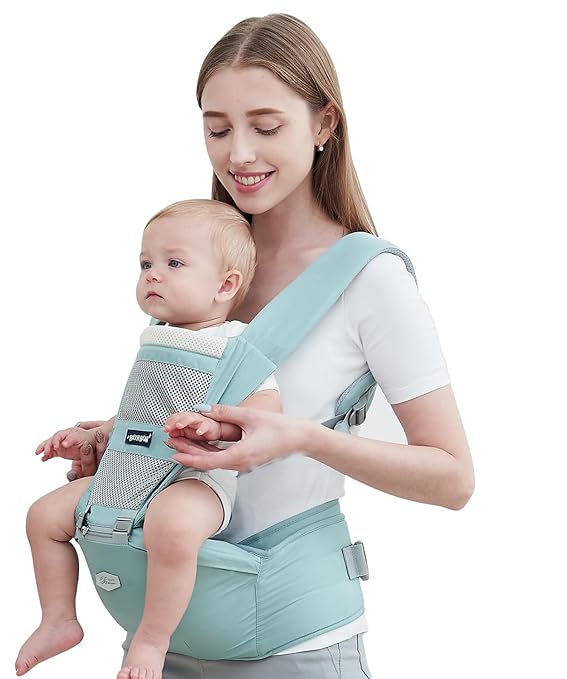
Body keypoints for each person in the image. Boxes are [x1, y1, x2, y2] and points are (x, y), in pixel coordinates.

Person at [42, 13, 475, 679]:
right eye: (218, 129)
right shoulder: (194, 260)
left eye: (265, 127)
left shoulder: (369, 280)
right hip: (158, 638)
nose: (238, 154)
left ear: (324, 124)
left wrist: (301, 438)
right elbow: (194, 406)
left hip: (294, 644)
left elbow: (453, 478)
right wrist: (115, 438)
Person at [15, 199, 281, 678]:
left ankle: (153, 640)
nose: (153, 274)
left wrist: (218, 428)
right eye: (145, 264)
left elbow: (267, 409)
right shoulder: (157, 336)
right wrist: (93, 435)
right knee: (43, 516)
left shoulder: (234, 344)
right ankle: (58, 619)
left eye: (174, 263)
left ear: (225, 285)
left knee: (172, 528)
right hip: (128, 470)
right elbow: (139, 411)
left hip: (195, 480)